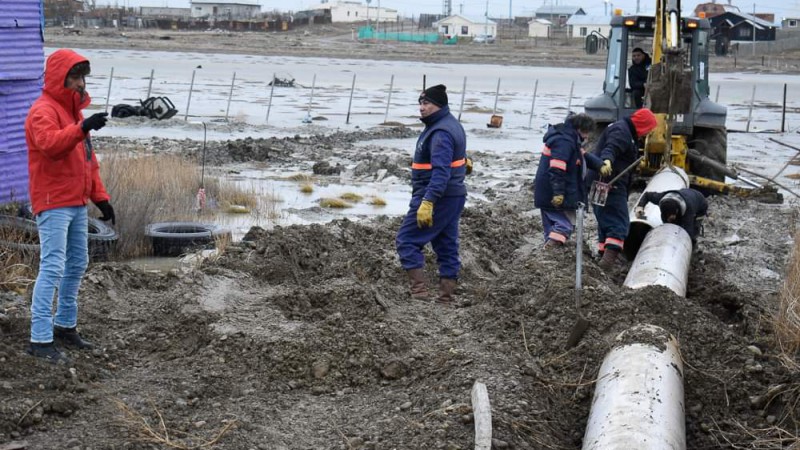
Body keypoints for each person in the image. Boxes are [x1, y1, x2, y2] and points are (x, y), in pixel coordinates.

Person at [25, 49, 115, 363]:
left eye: (82, 77)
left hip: (76, 201)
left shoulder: (75, 114)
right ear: (59, 77)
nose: (80, 83)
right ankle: (40, 338)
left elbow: (87, 162)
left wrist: (100, 198)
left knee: (76, 264)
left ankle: (65, 325)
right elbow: (50, 146)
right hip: (52, 202)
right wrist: (82, 128)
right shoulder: (42, 110)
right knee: (52, 266)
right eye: (75, 77)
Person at [396, 84, 468, 304]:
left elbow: (440, 172)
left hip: (437, 195)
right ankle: (446, 297)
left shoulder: (440, 133)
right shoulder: (450, 125)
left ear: (439, 105)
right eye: (420, 102)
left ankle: (419, 293)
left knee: (407, 240)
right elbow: (454, 159)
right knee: (446, 244)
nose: (421, 107)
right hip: (453, 195)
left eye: (426, 103)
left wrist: (428, 201)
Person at [586, 108, 658, 270]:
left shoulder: (622, 129)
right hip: (612, 183)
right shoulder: (622, 131)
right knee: (619, 222)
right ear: (643, 125)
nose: (647, 134)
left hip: (601, 183)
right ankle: (607, 263)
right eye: (648, 130)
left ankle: (602, 255)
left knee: (605, 220)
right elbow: (611, 148)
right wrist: (607, 161)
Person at [533, 113, 603, 249]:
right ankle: (549, 251)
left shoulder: (569, 138)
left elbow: (583, 155)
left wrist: (599, 164)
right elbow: (557, 169)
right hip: (553, 193)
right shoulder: (564, 142)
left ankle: (549, 257)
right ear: (579, 129)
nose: (587, 137)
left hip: (549, 191)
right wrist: (558, 193)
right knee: (564, 226)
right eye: (586, 132)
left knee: (552, 228)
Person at [634, 188, 708, 245]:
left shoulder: (688, 209)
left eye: (672, 215)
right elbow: (647, 195)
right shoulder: (661, 198)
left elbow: (688, 232)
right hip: (683, 194)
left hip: (700, 204)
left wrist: (686, 242)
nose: (669, 218)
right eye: (668, 216)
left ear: (676, 210)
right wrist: (640, 206)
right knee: (671, 224)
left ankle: (693, 249)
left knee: (692, 230)